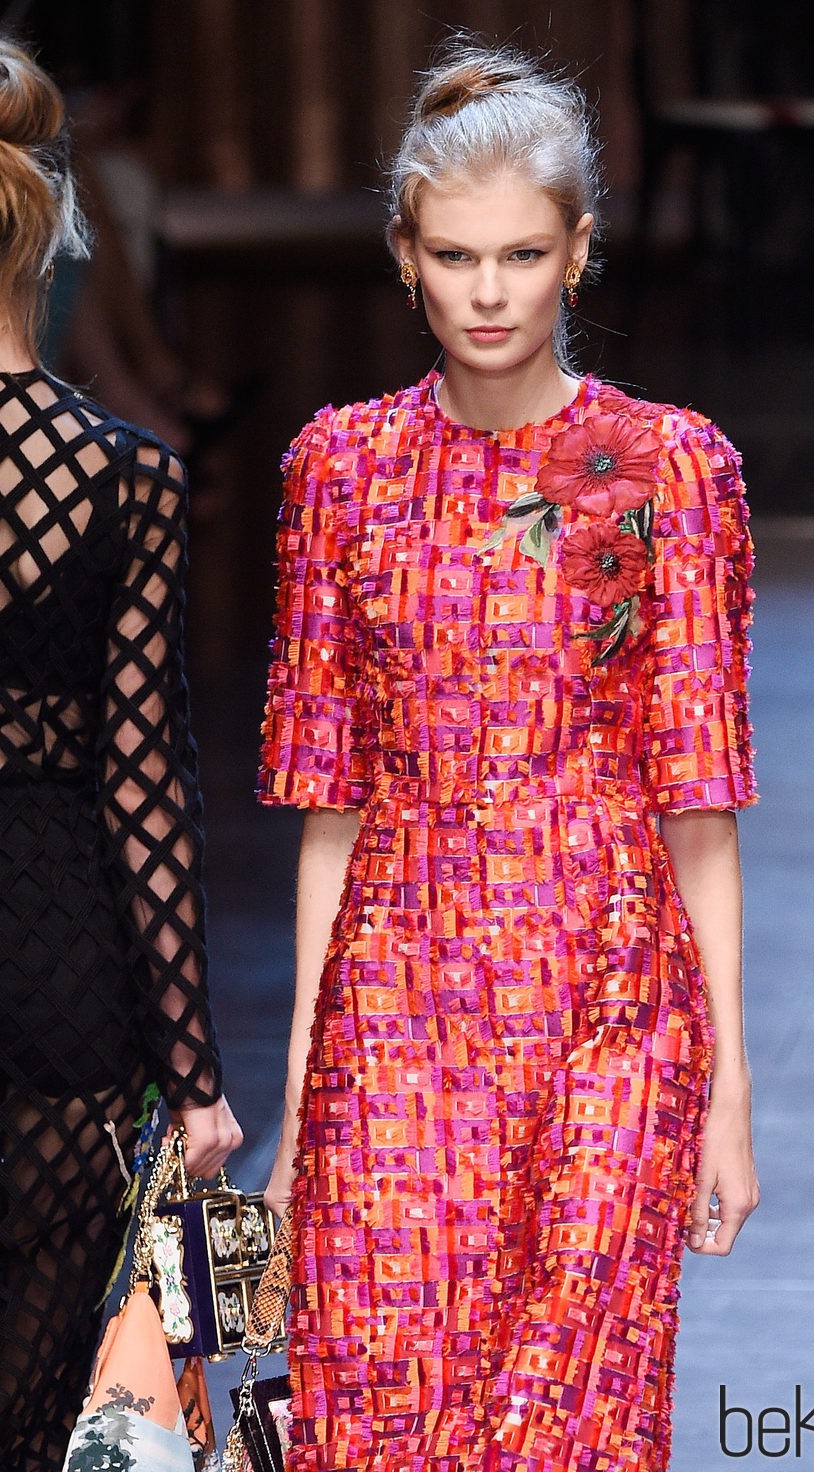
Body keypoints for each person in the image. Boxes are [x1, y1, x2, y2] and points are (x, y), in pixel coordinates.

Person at [259, 40, 759, 1472]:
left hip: (617, 1010)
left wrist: (729, 1093)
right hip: (399, 1010)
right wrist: (302, 1099)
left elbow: (701, 803)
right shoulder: (337, 472)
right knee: (380, 1419)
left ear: (579, 252)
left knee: (577, 1432)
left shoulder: (673, 472)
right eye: (457, 255)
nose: (489, 292)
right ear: (405, 256)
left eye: (524, 253)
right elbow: (329, 803)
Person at [0, 38, 241, 1472]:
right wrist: (197, 1075)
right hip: (68, 958)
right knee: (56, 1399)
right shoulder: (131, 474)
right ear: (62, 229)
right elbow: (148, 788)